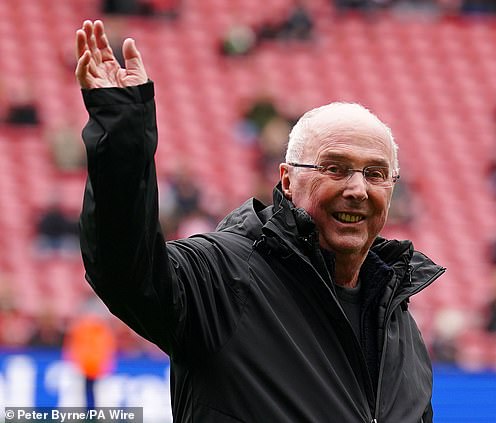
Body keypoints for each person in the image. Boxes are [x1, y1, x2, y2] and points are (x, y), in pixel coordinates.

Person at [75, 19, 444, 422]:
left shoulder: (398, 322)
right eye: (335, 169)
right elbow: (125, 270)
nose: (358, 188)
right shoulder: (224, 277)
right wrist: (124, 133)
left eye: (375, 174)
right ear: (287, 180)